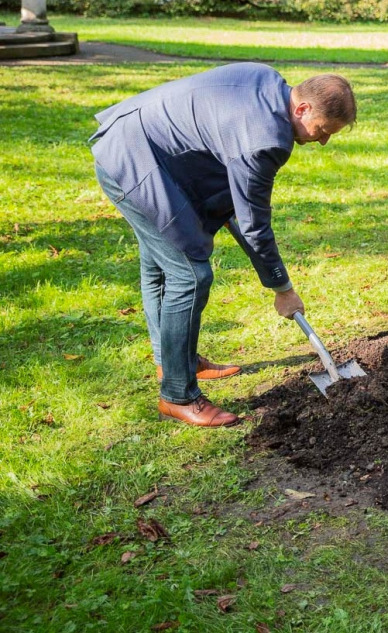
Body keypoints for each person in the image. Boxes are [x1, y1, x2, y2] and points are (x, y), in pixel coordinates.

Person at [90, 63, 356, 427]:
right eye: (322, 131)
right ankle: (178, 395)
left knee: (160, 266)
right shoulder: (267, 139)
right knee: (190, 275)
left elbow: (236, 196)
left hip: (138, 144)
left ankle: (171, 362)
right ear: (303, 109)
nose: (322, 141)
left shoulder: (266, 81)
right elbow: (254, 225)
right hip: (134, 163)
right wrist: (282, 288)